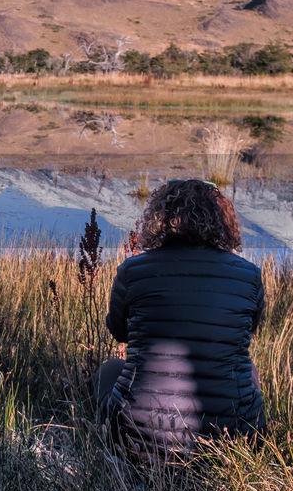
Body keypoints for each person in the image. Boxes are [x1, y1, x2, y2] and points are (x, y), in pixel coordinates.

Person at [94, 178, 265, 453]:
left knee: (110, 370)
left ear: (159, 217)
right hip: (234, 438)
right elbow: (246, 333)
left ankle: (106, 442)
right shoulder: (249, 275)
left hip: (140, 438)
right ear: (222, 220)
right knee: (249, 371)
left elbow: (119, 332)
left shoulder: (132, 270)